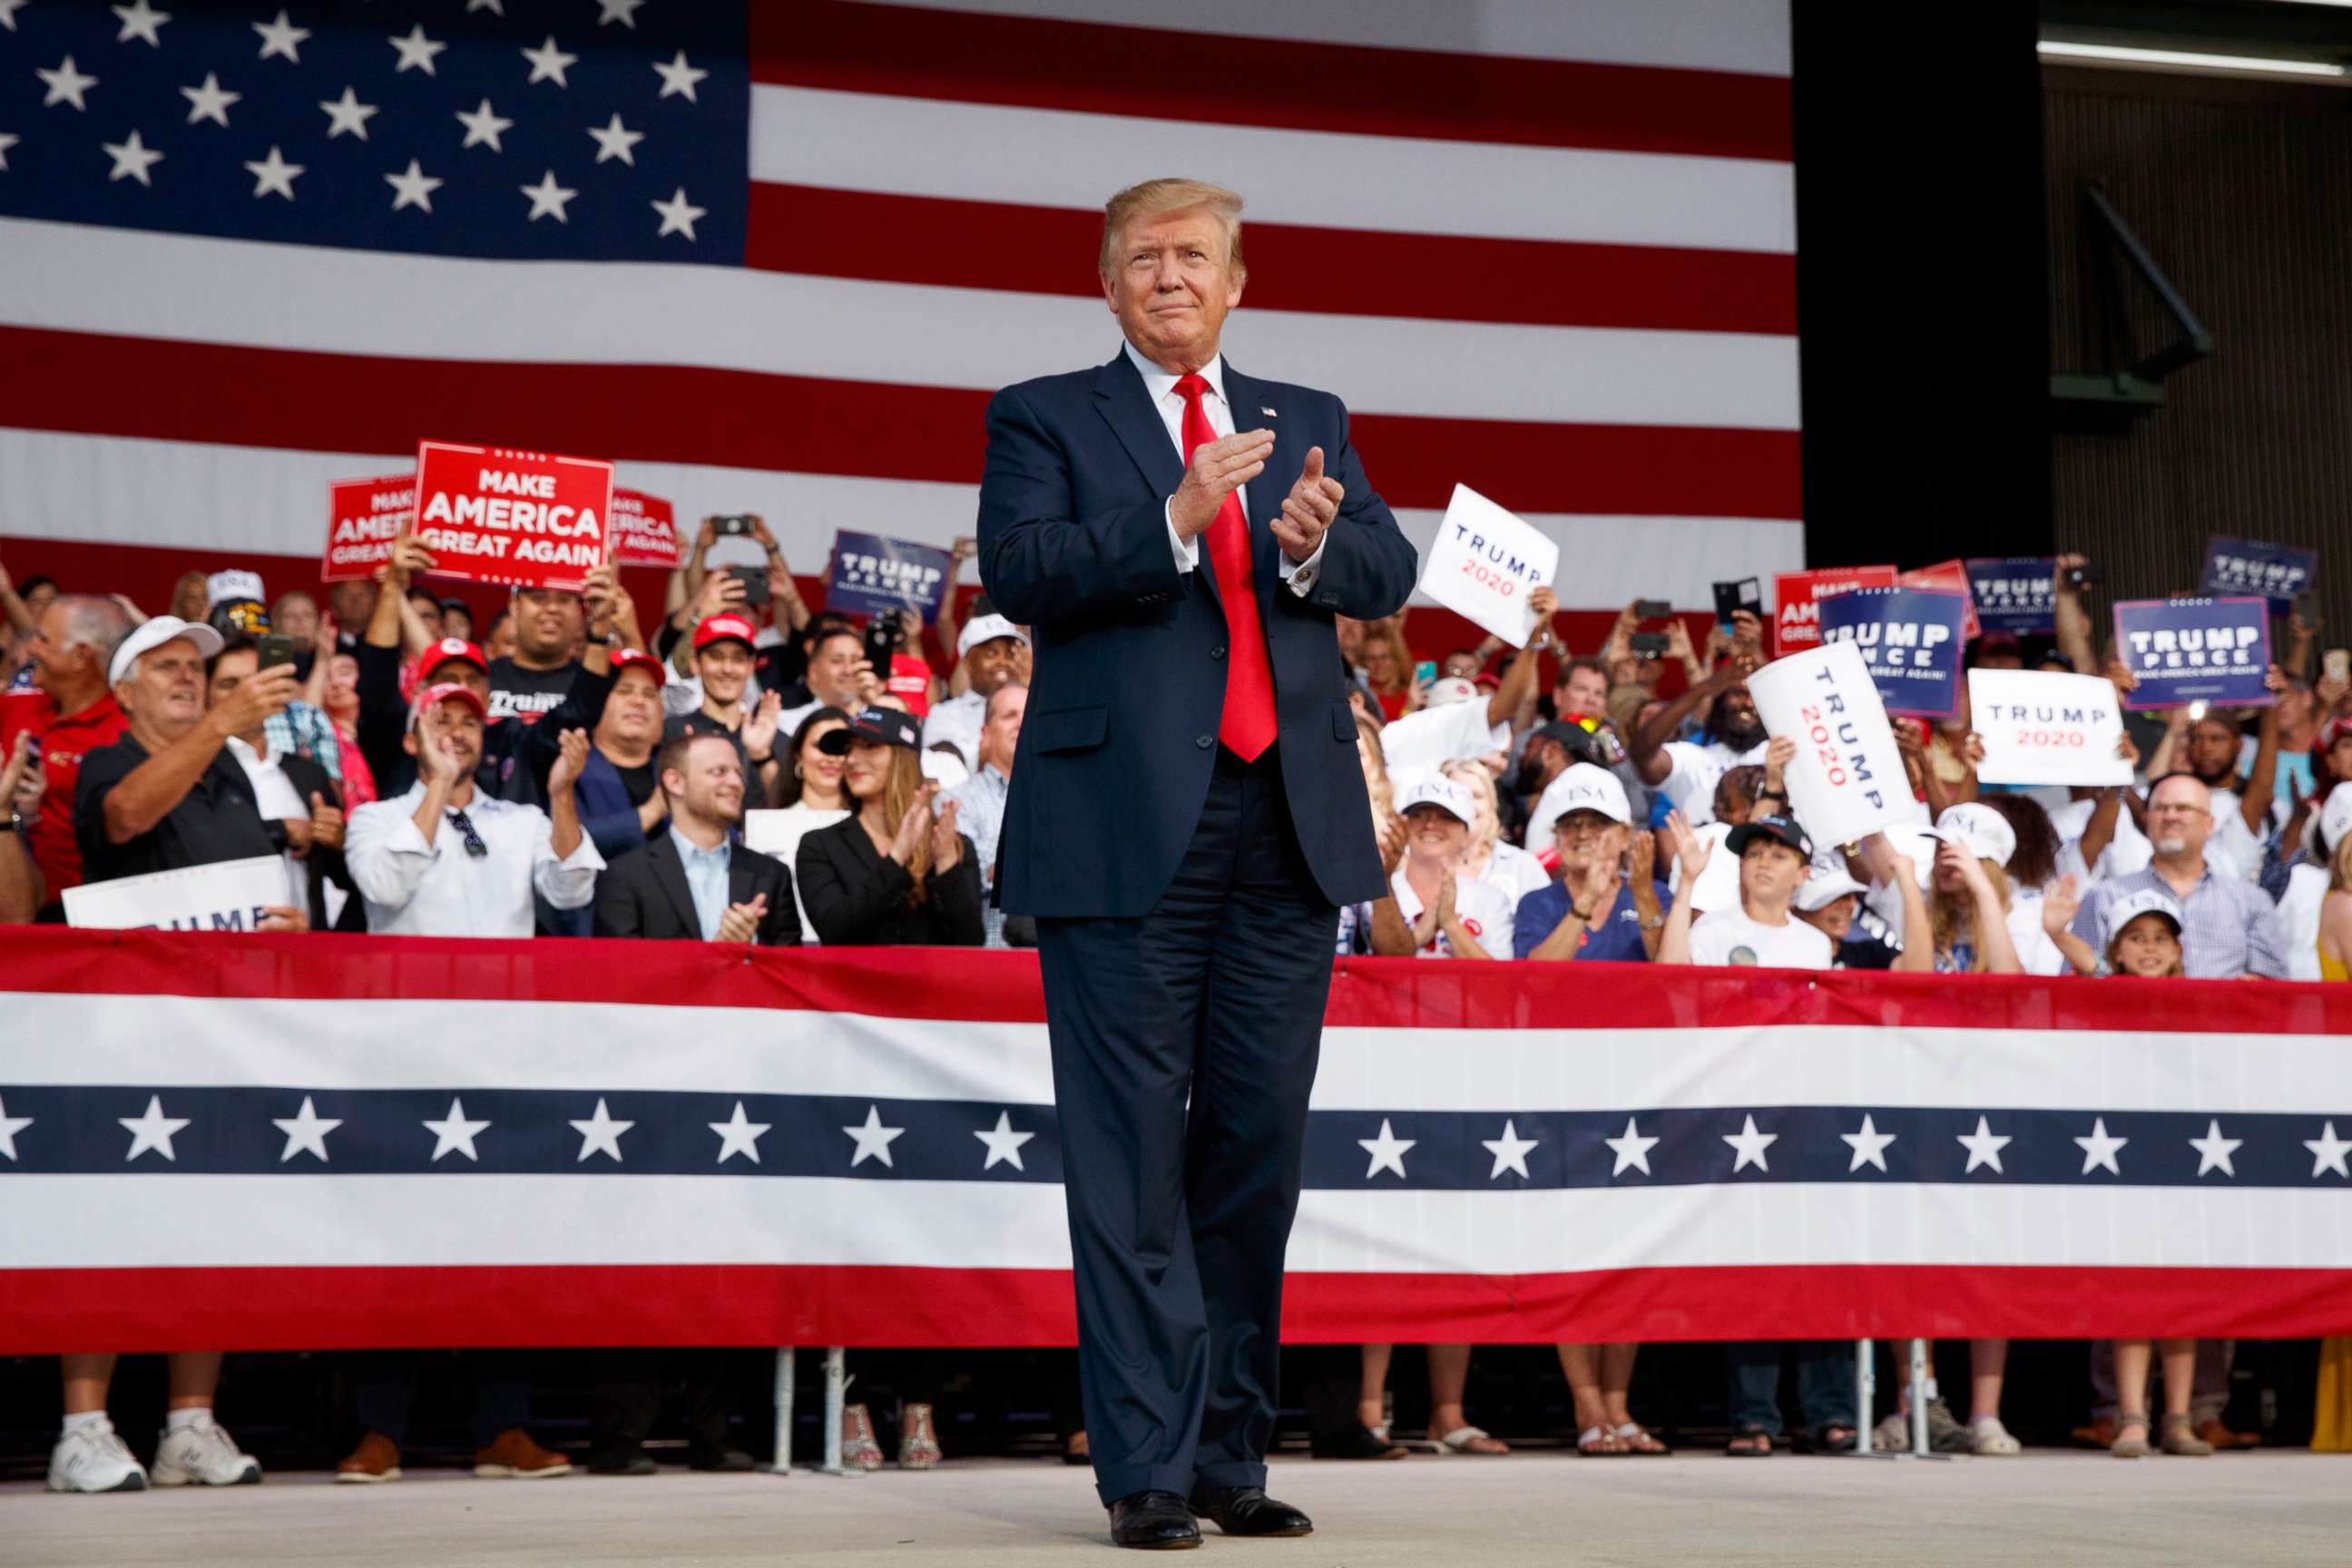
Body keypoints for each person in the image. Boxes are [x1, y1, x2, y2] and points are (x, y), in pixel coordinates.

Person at [975, 176, 1416, 1547]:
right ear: (1108, 288)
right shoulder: (1046, 412)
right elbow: (1020, 568)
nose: (1170, 277)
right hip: (1118, 832)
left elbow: (1389, 567)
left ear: (1238, 281)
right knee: (1127, 1164)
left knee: (1250, 1155)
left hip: (1284, 826)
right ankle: (1149, 1474)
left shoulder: (1313, 419)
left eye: (1194, 257)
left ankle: (1230, 1457)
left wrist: (1312, 550)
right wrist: (1171, 519)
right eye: (1144, 259)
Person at [73, 617, 308, 925]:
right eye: (167, 667)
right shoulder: (106, 762)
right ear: (126, 694)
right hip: (146, 969)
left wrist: (286, 927)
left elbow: (253, 882)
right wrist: (219, 722)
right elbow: (126, 816)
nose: (186, 677)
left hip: (228, 967)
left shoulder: (229, 768)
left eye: (196, 667)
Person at [343, 684, 603, 936]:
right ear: (411, 742)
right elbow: (386, 888)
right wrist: (440, 782)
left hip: (502, 979)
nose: (457, 733)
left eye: (469, 723)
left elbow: (571, 893)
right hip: (413, 980)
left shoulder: (523, 821)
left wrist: (561, 794)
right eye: (442, 721)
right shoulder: (373, 818)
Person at [795, 705, 985, 948]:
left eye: (870, 747)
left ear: (903, 758)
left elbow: (970, 943)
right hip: (856, 986)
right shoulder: (820, 845)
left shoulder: (953, 844)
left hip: (930, 985)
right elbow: (835, 932)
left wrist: (946, 865)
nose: (851, 759)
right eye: (848, 749)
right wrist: (896, 859)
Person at [2069, 774, 2288, 979]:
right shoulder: (2106, 896)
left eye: (2182, 808)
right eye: (2160, 808)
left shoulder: (2250, 900)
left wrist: (2252, 987)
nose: (2170, 816)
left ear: (2209, 824)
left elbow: (2275, 987)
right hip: (2132, 1019)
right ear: (2147, 820)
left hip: (2221, 1018)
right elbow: (2077, 982)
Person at [593, 730, 799, 945]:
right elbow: (622, 971)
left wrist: (750, 952)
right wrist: (718, 952)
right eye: (719, 772)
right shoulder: (625, 877)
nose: (736, 783)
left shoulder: (771, 874)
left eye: (739, 773)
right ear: (675, 782)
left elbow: (789, 970)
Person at [206, 635, 354, 930]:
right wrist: (280, 831)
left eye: (255, 681)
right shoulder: (197, 772)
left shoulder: (308, 773)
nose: (246, 694)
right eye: (229, 684)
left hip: (303, 951)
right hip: (222, 948)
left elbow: (344, 878)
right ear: (206, 696)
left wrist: (338, 841)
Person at [0, 594, 132, 916]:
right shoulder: (15, 706)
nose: (30, 649)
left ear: (80, 656)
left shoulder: (125, 733)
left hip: (83, 923)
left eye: (44, 640)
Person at [1515, 765, 1665, 962]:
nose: (1583, 834)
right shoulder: (1537, 903)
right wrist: (1586, 900)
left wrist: (1644, 896)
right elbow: (1536, 980)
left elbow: (1671, 970)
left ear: (1624, 836)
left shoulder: (1655, 894)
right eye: (1570, 824)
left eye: (1598, 823)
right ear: (1557, 838)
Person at [1658, 812, 1831, 970]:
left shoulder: (1816, 945)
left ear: (1803, 874)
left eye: (1779, 856)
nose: (1764, 863)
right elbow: (1671, 977)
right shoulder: (1713, 928)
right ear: (1741, 865)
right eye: (1754, 854)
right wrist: (1687, 880)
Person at [1369, 775, 1512, 959]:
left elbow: (1499, 982)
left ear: (1466, 835)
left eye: (1446, 818)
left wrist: (1450, 924)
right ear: (1406, 826)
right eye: (1419, 815)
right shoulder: (1377, 893)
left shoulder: (1491, 900)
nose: (1430, 825)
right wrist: (1416, 938)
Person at [664, 612, 785, 808]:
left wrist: (762, 755)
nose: (727, 668)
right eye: (716, 657)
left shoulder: (776, 741)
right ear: (695, 664)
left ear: (750, 667)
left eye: (738, 659)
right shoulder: (673, 732)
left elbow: (790, 813)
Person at [939, 682, 1025, 947]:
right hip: (994, 956)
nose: (1022, 723)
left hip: (1061, 962)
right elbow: (974, 880)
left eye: (1030, 715)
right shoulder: (956, 800)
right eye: (1009, 715)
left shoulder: (1068, 798)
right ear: (985, 734)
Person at [573, 648, 675, 867]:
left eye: (650, 694)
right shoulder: (571, 766)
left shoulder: (675, 769)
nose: (638, 701)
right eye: (624, 690)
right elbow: (567, 841)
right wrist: (651, 812)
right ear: (596, 703)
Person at [924, 609, 1031, 772]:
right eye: (991, 653)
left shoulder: (1032, 709)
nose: (1003, 662)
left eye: (1010, 654)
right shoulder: (944, 714)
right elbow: (943, 777)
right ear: (968, 663)